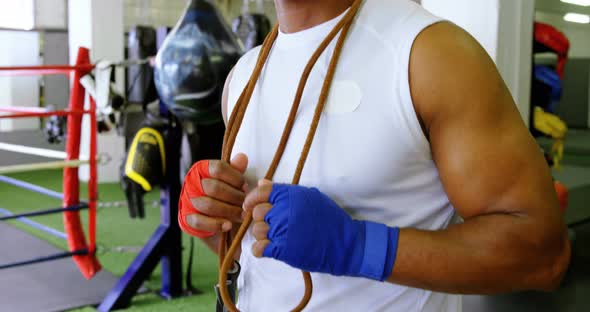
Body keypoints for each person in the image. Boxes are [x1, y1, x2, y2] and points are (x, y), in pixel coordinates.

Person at [179, 0, 571, 310]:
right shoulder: (245, 75)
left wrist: (358, 245)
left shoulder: (427, 52)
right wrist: (214, 218)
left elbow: (542, 255)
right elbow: (255, 253)